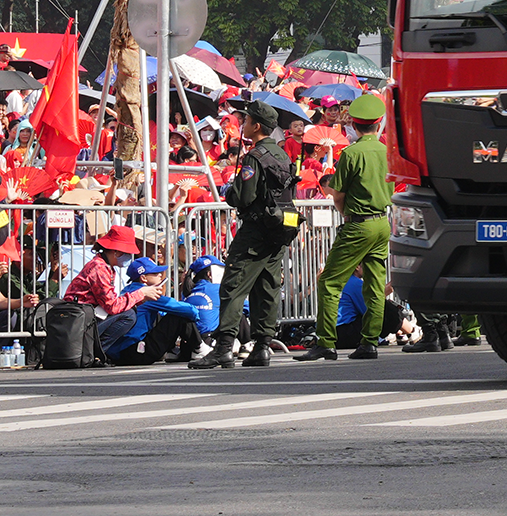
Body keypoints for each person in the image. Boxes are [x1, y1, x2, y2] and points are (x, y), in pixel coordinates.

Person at [191, 100, 297, 370]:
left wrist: (231, 190)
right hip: (280, 228)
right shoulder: (283, 155)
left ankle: (224, 347)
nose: (243, 125)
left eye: (247, 121)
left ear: (257, 126)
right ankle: (262, 347)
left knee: (233, 285)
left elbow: (243, 196)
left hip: (256, 230)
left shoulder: (254, 157)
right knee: (267, 287)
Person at [298, 93, 392, 363]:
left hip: (358, 223)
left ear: (355, 123)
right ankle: (370, 342)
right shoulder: (386, 151)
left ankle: (326, 342)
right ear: (378, 123)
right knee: (374, 285)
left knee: (329, 281)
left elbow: (337, 195)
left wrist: (346, 215)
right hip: (381, 222)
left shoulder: (351, 153)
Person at [99, 257, 204, 366]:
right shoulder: (147, 294)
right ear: (143, 278)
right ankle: (199, 348)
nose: (160, 275)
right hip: (137, 352)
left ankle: (180, 351)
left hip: (120, 353)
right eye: (155, 273)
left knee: (164, 314)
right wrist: (197, 314)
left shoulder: (127, 291)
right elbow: (189, 310)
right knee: (178, 316)